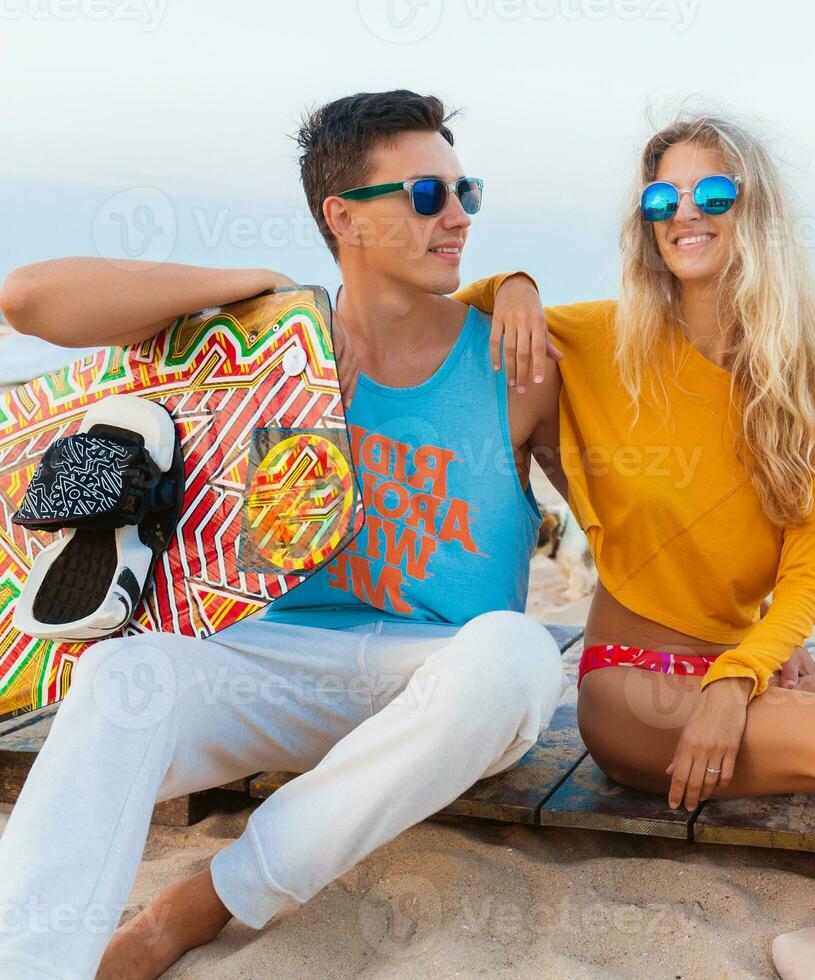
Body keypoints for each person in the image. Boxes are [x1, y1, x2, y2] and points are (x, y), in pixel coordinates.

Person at [456, 112, 815, 978]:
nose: (685, 211)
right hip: (631, 688)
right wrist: (514, 280)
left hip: (744, 683)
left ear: (755, 210)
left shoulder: (811, 382)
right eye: (663, 196)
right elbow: (456, 311)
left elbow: (809, 569)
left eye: (713, 191)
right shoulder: (607, 336)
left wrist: (744, 675)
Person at [0, 90, 564, 980]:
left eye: (466, 194)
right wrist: (256, 291)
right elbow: (29, 300)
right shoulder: (260, 349)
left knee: (519, 653)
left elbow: (640, 533)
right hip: (267, 665)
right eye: (425, 197)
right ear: (342, 217)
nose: (457, 218)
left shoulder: (519, 367)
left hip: (441, 685)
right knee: (121, 670)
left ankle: (202, 902)